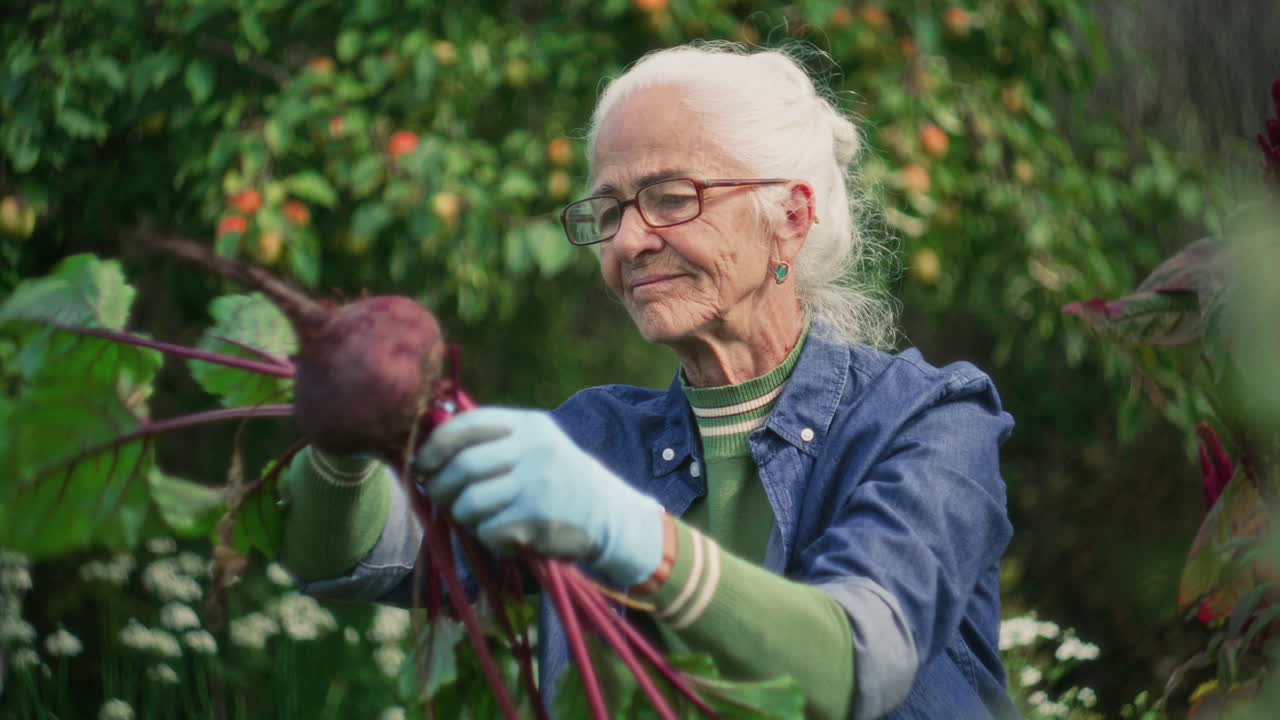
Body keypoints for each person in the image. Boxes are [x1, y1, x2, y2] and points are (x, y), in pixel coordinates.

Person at [276, 42, 1017, 720]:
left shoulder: (927, 420)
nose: (629, 242)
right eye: (607, 211)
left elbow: (860, 662)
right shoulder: (602, 438)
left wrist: (631, 534)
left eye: (671, 198)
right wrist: (344, 437)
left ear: (790, 216)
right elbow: (361, 559)